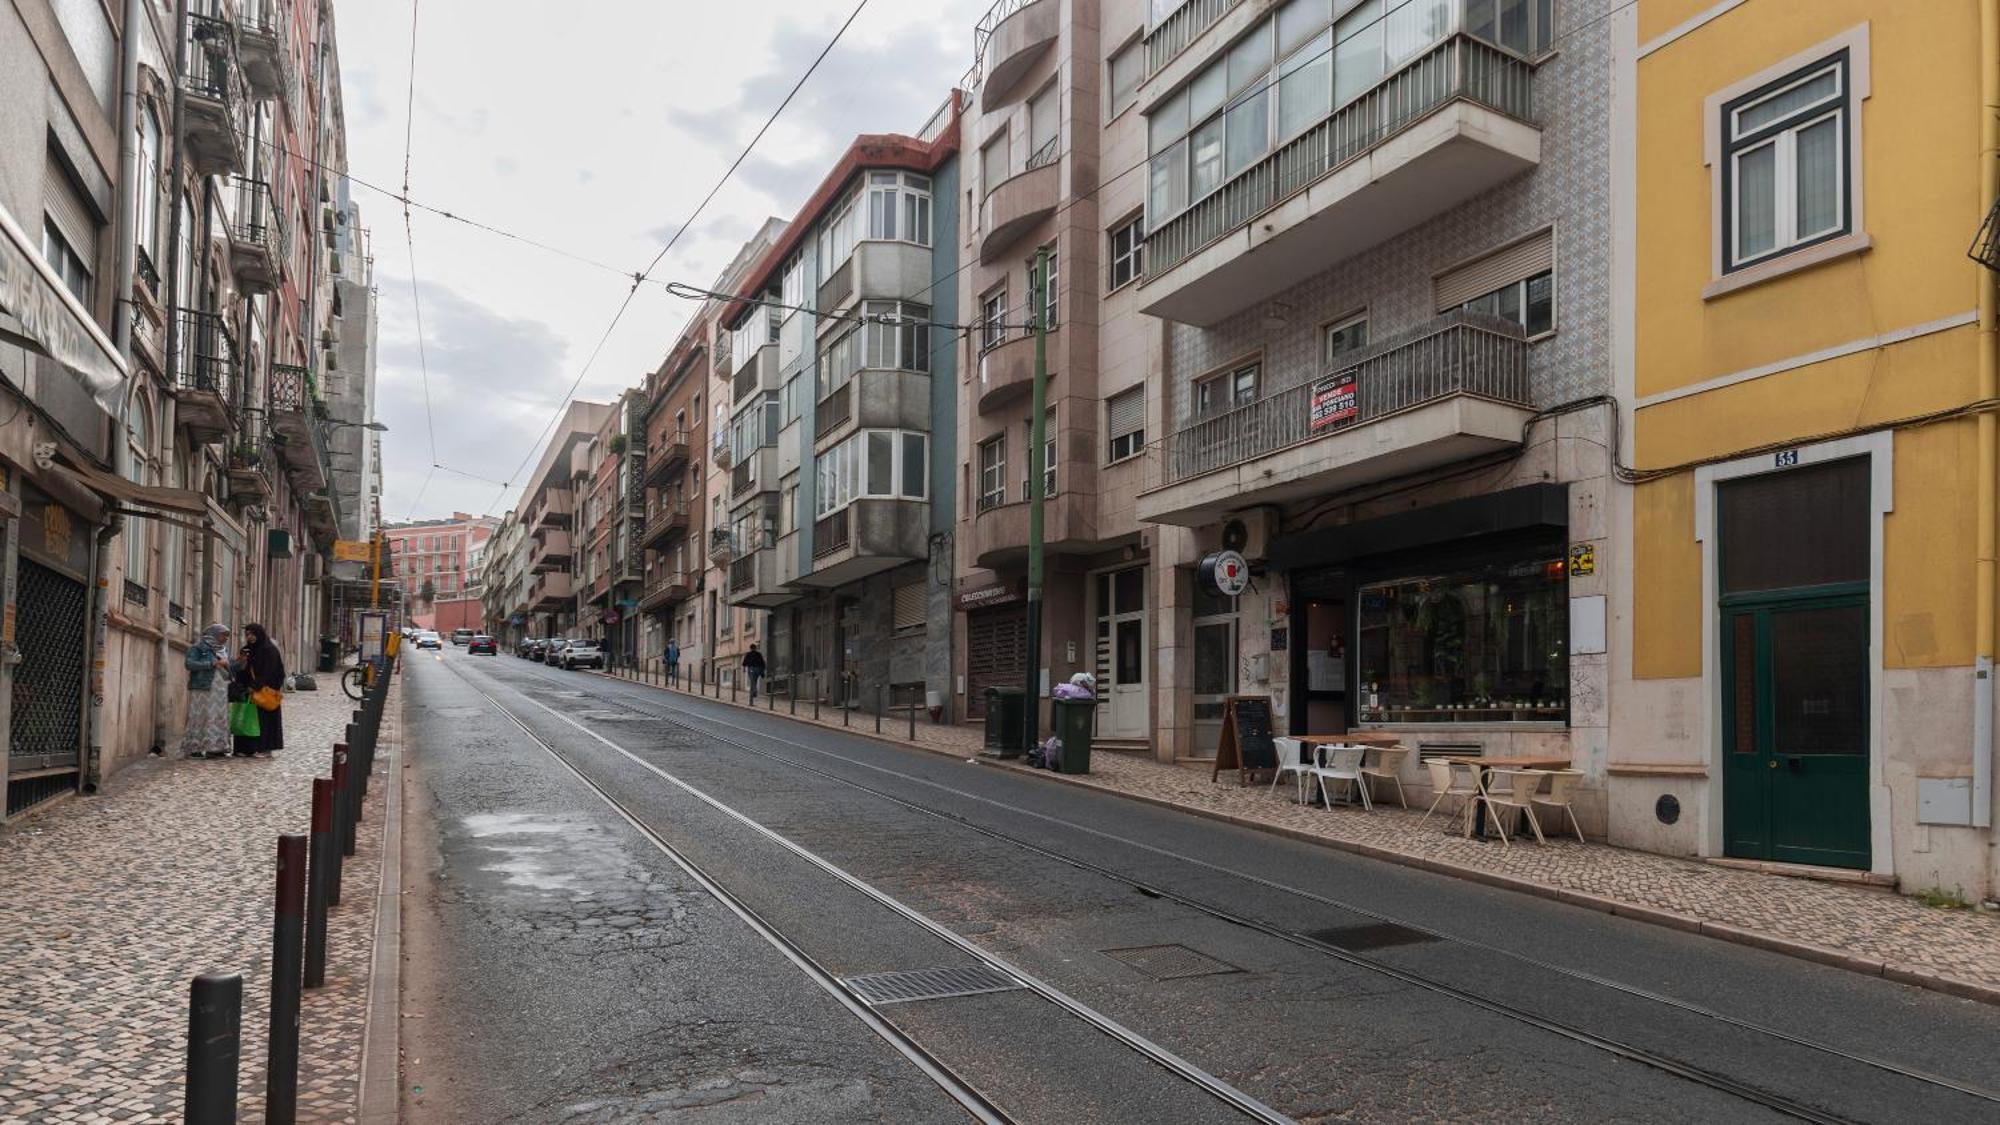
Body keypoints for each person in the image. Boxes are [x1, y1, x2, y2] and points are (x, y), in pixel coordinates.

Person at [232, 623, 286, 758]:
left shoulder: (269, 650)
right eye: (247, 634)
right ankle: (245, 748)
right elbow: (240, 670)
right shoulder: (246, 650)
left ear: (259, 634)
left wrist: (256, 685)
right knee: (246, 718)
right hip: (248, 690)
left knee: (263, 720)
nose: (250, 637)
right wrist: (241, 662)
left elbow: (270, 671)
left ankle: (264, 748)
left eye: (252, 634)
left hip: (264, 691)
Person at [180, 624, 232, 759]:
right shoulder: (198, 647)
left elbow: (228, 668)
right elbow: (189, 664)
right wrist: (211, 664)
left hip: (220, 690)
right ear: (214, 634)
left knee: (218, 717)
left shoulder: (223, 650)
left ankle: (216, 748)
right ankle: (195, 748)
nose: (225, 638)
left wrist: (234, 664)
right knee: (201, 717)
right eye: (223, 635)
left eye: (227, 635)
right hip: (203, 688)